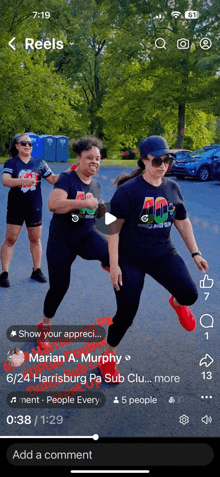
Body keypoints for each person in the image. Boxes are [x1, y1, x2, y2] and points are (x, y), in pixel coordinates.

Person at [98, 135, 209, 383]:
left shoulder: (172, 188)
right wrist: (114, 265)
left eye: (167, 160)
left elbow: (182, 221)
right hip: (130, 259)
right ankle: (108, 357)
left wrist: (195, 253)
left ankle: (177, 303)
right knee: (126, 313)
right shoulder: (128, 192)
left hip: (162, 255)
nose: (163, 166)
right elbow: (112, 230)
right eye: (157, 161)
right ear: (145, 161)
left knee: (189, 295)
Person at [37, 136, 109, 349]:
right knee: (59, 287)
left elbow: (96, 215)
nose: (94, 162)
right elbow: (53, 204)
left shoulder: (96, 185)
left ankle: (106, 261)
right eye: (89, 158)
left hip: (87, 237)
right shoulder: (67, 179)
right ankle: (44, 326)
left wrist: (103, 212)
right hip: (62, 242)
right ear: (78, 159)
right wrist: (82, 202)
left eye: (97, 159)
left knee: (116, 253)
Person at [0, 133, 59, 287]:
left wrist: (70, 175)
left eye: (30, 144)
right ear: (17, 146)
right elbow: (5, 181)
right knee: (10, 239)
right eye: (24, 143)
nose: (27, 146)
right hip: (16, 208)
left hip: (34, 208)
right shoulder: (11, 163)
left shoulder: (39, 163)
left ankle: (36, 270)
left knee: (35, 239)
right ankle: (4, 272)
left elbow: (52, 179)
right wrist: (23, 181)